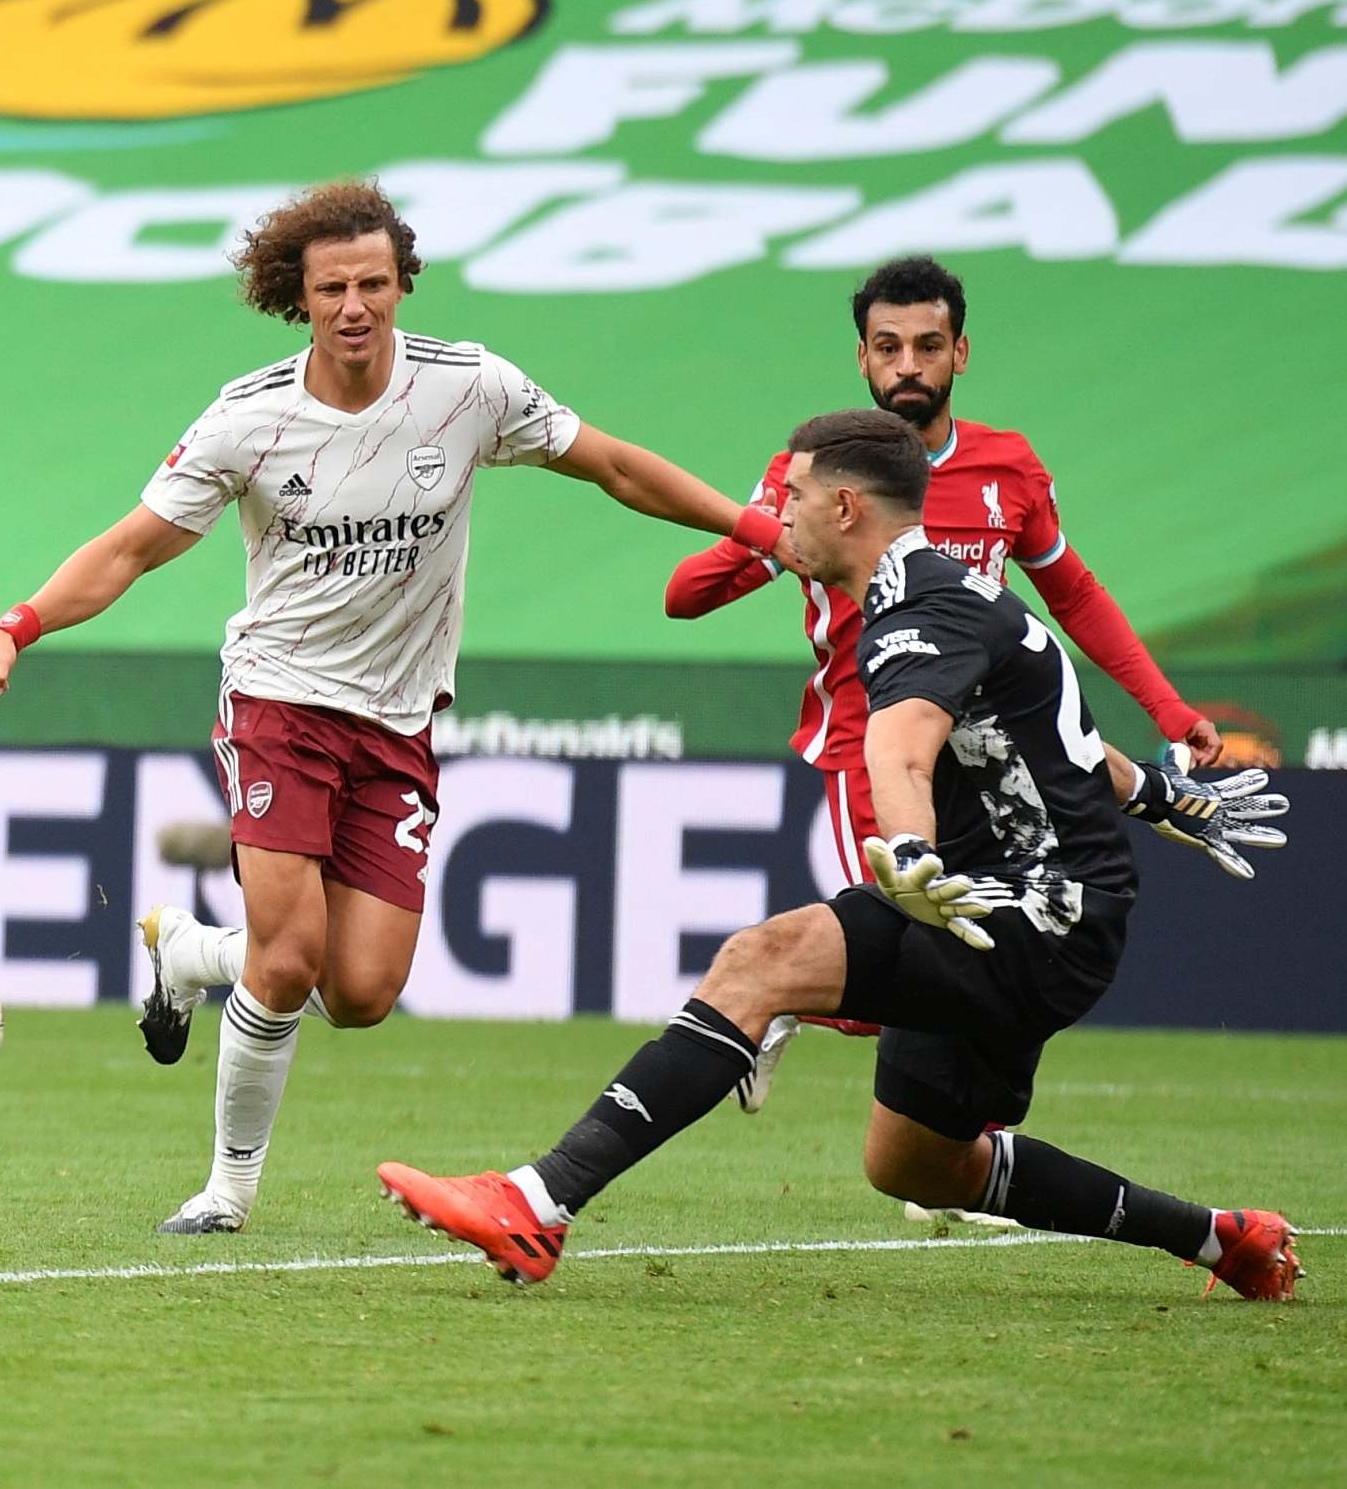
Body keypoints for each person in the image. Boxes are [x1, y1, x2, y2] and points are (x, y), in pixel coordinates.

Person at [0, 179, 796, 1235]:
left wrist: (755, 530)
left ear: (401, 283)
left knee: (358, 991)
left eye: (371, 282)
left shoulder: (467, 389)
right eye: (330, 288)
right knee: (291, 954)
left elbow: (614, 466)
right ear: (296, 298)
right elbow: (131, 546)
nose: (354, 305)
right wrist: (16, 625)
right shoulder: (249, 418)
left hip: (398, 720)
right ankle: (227, 1190)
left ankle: (185, 950)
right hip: (278, 701)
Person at [377, 409, 1298, 1300]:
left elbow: (900, 751)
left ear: (848, 508)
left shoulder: (912, 614)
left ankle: (536, 1200)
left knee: (760, 960)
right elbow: (1050, 742)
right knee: (918, 1164)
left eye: (795, 492)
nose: (779, 511)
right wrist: (1159, 794)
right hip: (1034, 911)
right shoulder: (950, 589)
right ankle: (1222, 1236)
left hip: (1024, 913)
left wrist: (907, 849)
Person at [664, 256, 1223, 1114]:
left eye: (928, 345)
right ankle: (773, 1002)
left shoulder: (1008, 468)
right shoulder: (816, 480)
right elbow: (686, 595)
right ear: (862, 358)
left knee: (981, 955)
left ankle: (960, 1153)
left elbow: (1072, 592)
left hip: (988, 759)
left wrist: (1170, 709)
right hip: (873, 745)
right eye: (887, 347)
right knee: (913, 944)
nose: (908, 366)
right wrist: (762, 532)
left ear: (961, 352)